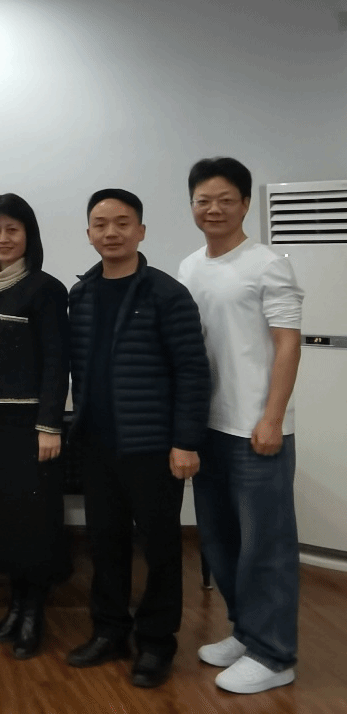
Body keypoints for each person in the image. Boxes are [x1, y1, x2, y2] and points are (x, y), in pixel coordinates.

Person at [65, 189, 210, 688]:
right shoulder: (81, 295)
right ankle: (109, 631)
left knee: (161, 548)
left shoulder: (166, 294)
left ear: (141, 231)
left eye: (123, 223)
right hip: (97, 444)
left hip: (154, 446)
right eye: (101, 224)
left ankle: (156, 643)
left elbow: (192, 371)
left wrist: (186, 441)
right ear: (89, 233)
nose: (111, 232)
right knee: (104, 543)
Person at [178, 157, 303, 695]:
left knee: (265, 545)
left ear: (246, 204)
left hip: (256, 429)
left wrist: (273, 417)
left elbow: (288, 343)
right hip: (207, 427)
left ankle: (275, 655)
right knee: (220, 540)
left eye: (225, 199)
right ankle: (247, 632)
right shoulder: (189, 267)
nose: (214, 209)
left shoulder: (268, 264)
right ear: (191, 205)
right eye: (203, 200)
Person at [0, 193, 70, 660]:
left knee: (34, 519)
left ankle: (34, 613)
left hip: (28, 421)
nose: (3, 238)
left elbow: (57, 362)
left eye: (12, 229)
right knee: (2, 517)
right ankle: (14, 605)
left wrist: (50, 424)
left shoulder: (46, 289)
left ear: (28, 234)